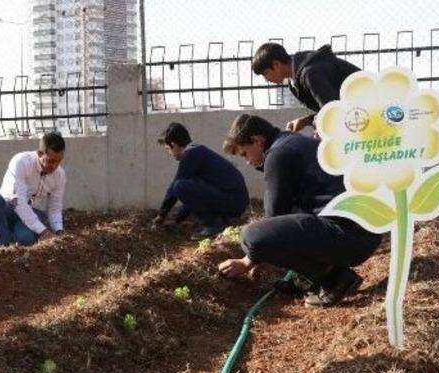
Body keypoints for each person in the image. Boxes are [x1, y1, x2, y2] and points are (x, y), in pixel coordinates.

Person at [218, 114, 381, 307]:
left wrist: (249, 261)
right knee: (289, 216)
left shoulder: (278, 155)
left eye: (244, 153)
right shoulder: (291, 143)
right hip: (362, 231)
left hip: (350, 237)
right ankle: (306, 279)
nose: (247, 162)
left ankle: (334, 279)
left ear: (257, 141)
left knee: (250, 235)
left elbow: (272, 219)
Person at [153, 122, 249, 240]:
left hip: (233, 201)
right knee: (184, 186)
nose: (169, 153)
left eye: (168, 149)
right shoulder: (198, 151)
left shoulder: (190, 154)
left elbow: (175, 188)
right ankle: (221, 220)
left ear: (174, 145)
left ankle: (213, 225)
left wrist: (162, 214)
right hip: (236, 202)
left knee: (179, 186)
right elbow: (195, 197)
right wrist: (177, 218)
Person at [252, 42, 359, 133]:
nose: (266, 80)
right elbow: (332, 108)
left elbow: (334, 112)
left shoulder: (310, 73)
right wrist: (307, 121)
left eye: (266, 73)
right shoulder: (295, 81)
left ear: (276, 65)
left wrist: (315, 123)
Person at [0, 132, 66, 246]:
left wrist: (59, 230)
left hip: (31, 212)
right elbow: (18, 201)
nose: (55, 166)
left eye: (59, 161)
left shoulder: (59, 175)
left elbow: (55, 207)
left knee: (26, 238)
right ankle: (5, 245)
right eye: (51, 161)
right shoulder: (21, 162)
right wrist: (43, 231)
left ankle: (4, 228)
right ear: (40, 153)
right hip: (7, 208)